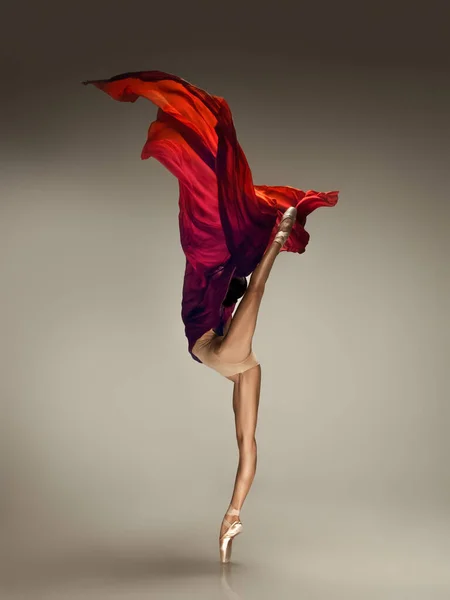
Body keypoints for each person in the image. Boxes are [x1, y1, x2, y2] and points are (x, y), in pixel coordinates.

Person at [82, 71, 339, 563]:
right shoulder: (235, 348)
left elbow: (256, 287)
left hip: (215, 339)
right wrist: (276, 236)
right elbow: (252, 288)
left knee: (247, 438)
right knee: (247, 444)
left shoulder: (216, 322)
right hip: (224, 348)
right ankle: (232, 517)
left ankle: (232, 517)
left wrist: (280, 237)